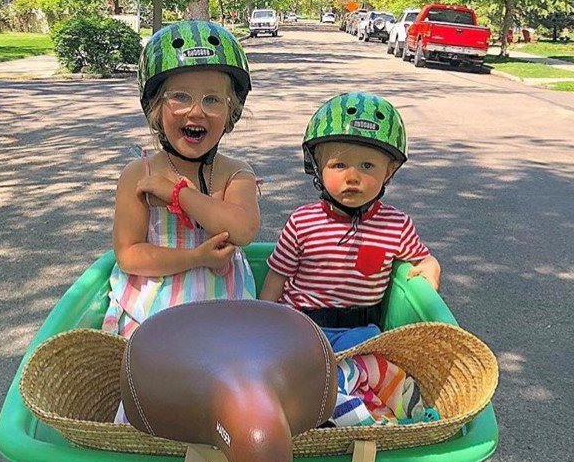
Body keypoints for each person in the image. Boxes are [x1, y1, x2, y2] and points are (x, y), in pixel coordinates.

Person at [102, 21, 260, 339]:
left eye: (213, 100)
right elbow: (129, 254)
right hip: (152, 314)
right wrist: (195, 258)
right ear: (155, 108)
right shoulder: (139, 173)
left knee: (229, 370)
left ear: (232, 112)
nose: (196, 111)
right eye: (180, 97)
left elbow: (242, 230)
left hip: (223, 312)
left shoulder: (235, 172)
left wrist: (177, 194)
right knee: (154, 370)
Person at [260, 92, 441, 352]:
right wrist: (263, 317)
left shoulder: (397, 225)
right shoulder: (302, 222)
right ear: (318, 167)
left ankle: (348, 391)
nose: (352, 177)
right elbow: (277, 276)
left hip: (360, 332)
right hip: (301, 324)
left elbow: (423, 259)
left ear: (388, 172)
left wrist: (431, 267)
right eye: (339, 164)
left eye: (367, 166)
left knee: (379, 369)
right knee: (289, 369)